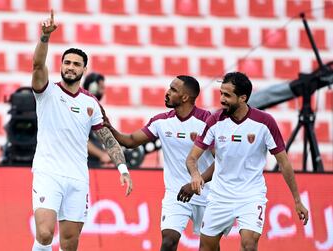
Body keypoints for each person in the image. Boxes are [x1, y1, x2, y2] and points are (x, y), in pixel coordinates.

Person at [31, 10, 133, 251]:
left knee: (69, 243)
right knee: (45, 234)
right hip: (48, 172)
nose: (71, 67)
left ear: (84, 70)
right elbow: (37, 64)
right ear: (61, 66)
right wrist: (45, 38)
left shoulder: (91, 103)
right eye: (67, 62)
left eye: (76, 64)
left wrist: (123, 168)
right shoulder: (47, 92)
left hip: (78, 177)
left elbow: (107, 138)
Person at [185, 71, 309, 251]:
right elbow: (192, 157)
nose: (222, 99)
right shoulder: (214, 121)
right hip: (220, 196)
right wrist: (196, 175)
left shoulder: (264, 123)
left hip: (251, 196)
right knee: (206, 247)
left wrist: (297, 201)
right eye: (221, 93)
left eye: (227, 95)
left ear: (243, 97)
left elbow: (284, 163)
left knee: (249, 244)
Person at [103, 75, 214, 251]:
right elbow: (131, 141)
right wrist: (110, 128)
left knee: (209, 247)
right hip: (176, 193)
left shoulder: (207, 121)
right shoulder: (161, 121)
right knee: (168, 240)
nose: (167, 93)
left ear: (185, 97)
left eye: (173, 90)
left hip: (208, 194)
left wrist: (196, 184)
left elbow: (222, 162)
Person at [82, 72, 112, 167]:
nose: (103, 92)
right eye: (101, 88)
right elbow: (80, 138)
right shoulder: (84, 108)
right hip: (86, 165)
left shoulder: (95, 108)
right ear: (92, 87)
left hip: (94, 164)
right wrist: (102, 155)